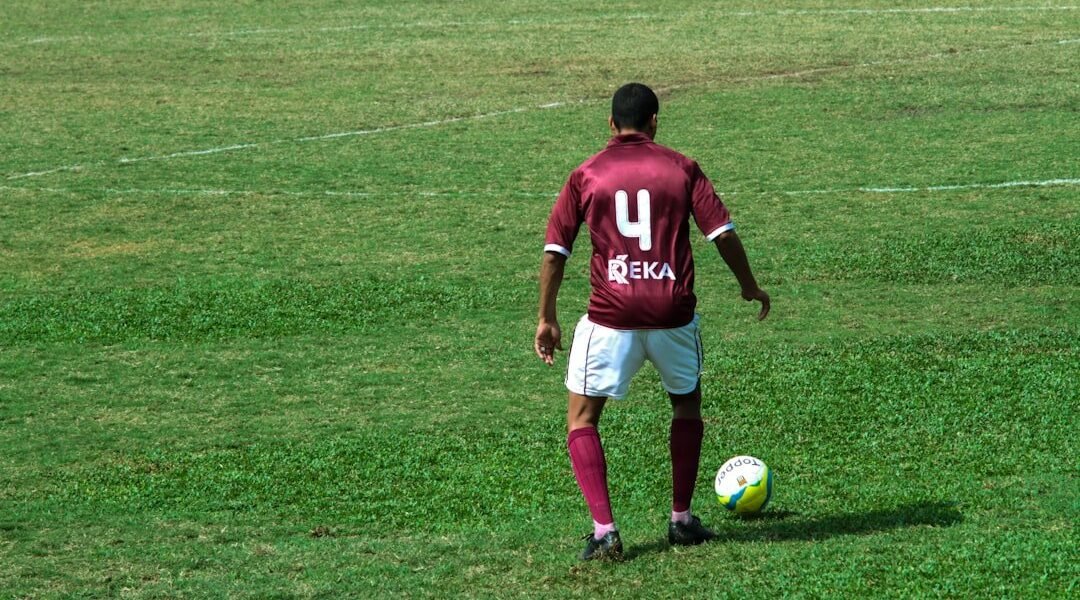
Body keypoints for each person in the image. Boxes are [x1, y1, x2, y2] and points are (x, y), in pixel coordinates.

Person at [534, 83, 770, 561]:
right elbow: (721, 233)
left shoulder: (587, 173)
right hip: (672, 315)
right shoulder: (681, 167)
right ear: (656, 121)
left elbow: (556, 253)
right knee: (685, 405)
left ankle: (605, 532)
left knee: (582, 417)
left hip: (610, 317)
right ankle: (681, 520)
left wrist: (547, 317)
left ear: (610, 123)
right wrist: (748, 283)